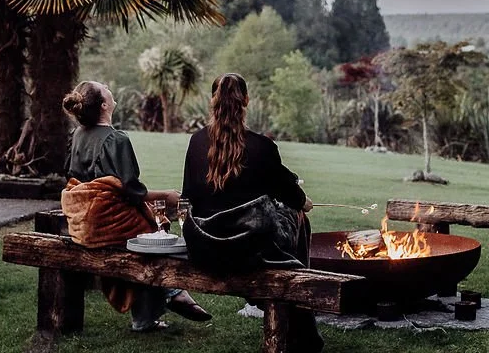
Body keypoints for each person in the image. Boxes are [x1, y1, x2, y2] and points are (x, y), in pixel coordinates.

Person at [182, 73, 322, 352]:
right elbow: (291, 196)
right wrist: (302, 201)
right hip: (247, 250)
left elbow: (188, 197)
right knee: (298, 217)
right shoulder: (263, 147)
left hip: (204, 247)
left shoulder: (197, 141)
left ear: (212, 101)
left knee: (275, 217)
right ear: (246, 100)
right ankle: (297, 304)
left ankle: (289, 303)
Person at [61, 81, 211, 333]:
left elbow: (77, 178)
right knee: (154, 239)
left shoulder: (77, 135)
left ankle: (160, 306)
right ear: (104, 105)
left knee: (148, 233)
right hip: (108, 221)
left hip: (83, 222)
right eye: (104, 87)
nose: (108, 86)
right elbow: (131, 190)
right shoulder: (115, 139)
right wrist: (167, 195)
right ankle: (170, 296)